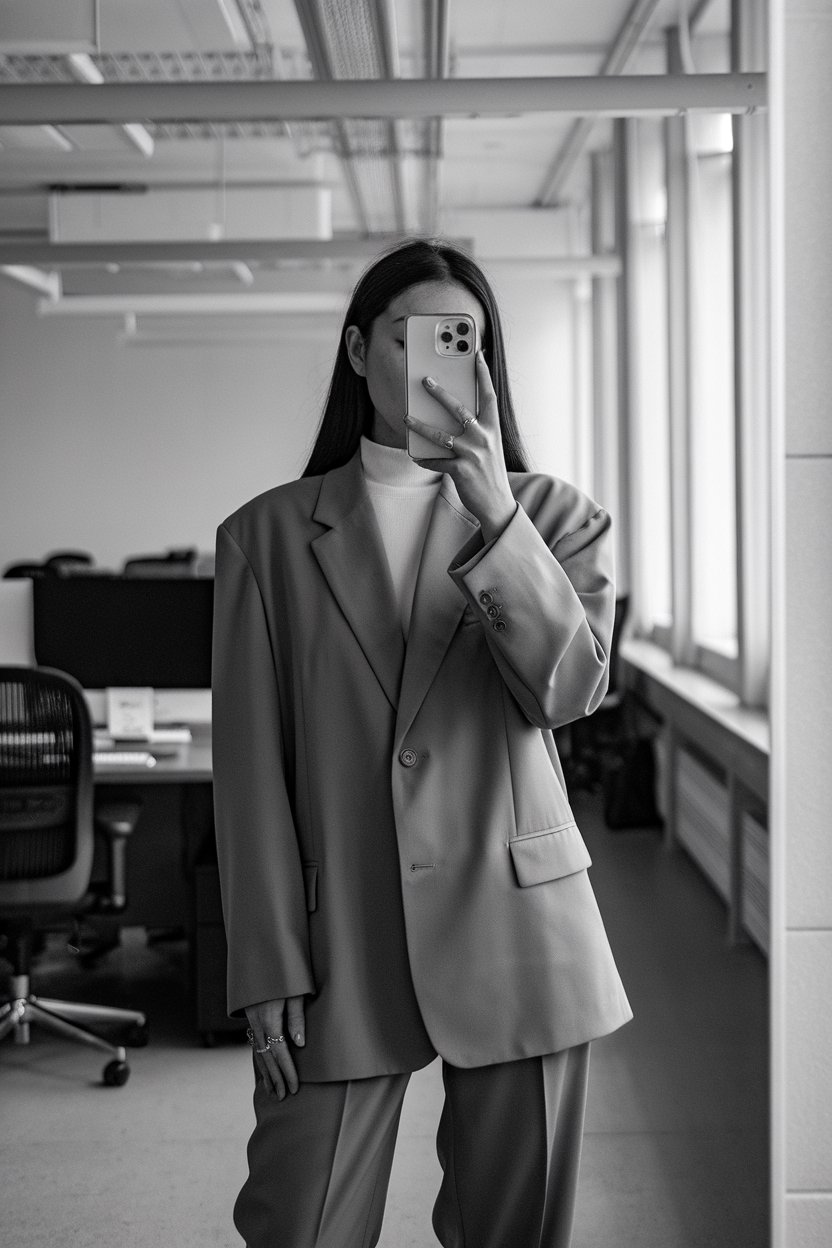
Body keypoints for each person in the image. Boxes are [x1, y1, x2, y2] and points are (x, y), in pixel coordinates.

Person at [212, 237, 632, 1248]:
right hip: (340, 931)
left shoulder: (553, 519)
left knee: (514, 1231)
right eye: (409, 339)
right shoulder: (264, 539)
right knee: (299, 1225)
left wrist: (496, 520)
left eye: (463, 340)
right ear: (358, 352)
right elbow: (250, 776)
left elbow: (569, 693)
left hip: (522, 926)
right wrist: (264, 963)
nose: (436, 362)